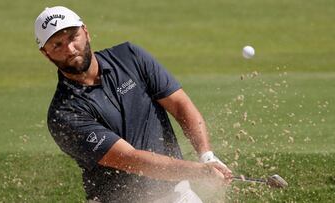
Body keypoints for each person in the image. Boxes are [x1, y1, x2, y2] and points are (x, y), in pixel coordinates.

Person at [34, 6, 232, 203]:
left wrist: (207, 157)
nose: (69, 49)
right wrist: (199, 171)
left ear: (86, 32)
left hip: (178, 194)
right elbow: (131, 159)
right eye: (57, 45)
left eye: (72, 37)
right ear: (46, 53)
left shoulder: (130, 57)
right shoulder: (64, 114)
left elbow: (180, 105)